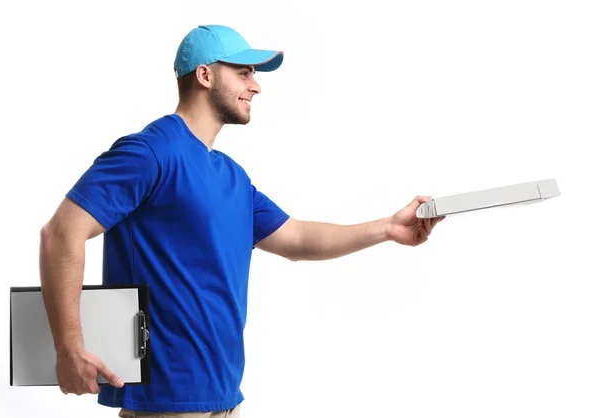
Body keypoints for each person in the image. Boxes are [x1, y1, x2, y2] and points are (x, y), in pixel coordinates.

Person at [39, 24, 445, 417]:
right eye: (244, 72)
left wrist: (390, 227)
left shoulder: (232, 176)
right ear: (205, 75)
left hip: (225, 395)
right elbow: (61, 233)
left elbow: (297, 237)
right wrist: (69, 348)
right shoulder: (150, 152)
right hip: (167, 401)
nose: (256, 85)